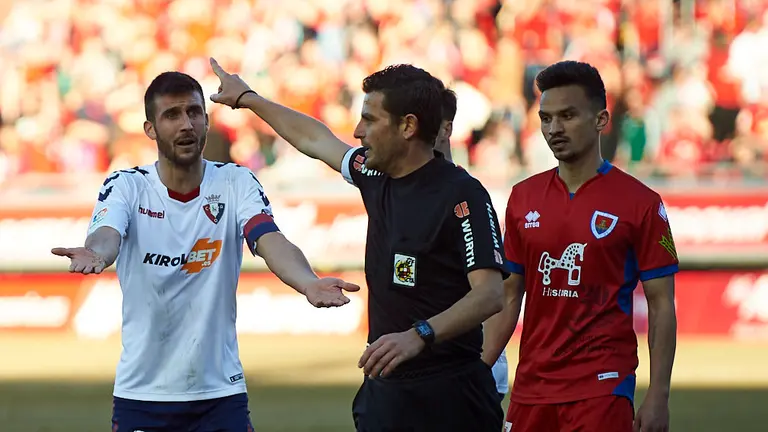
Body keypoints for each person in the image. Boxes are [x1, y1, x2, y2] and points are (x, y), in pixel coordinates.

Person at [50, 71, 360, 432]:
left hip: (220, 395)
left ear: (207, 120)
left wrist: (308, 283)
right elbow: (107, 234)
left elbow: (268, 238)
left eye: (194, 113)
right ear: (150, 129)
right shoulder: (127, 185)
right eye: (172, 115)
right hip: (143, 396)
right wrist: (98, 254)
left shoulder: (235, 181)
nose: (186, 125)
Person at [208, 58, 507, 431]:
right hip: (387, 392)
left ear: (408, 126)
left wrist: (420, 335)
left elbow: (490, 294)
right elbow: (315, 139)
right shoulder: (374, 174)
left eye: (370, 119)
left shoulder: (463, 194)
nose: (357, 130)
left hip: (450, 394)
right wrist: (249, 99)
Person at [483, 60, 678, 432]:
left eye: (568, 116)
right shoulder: (523, 198)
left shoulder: (641, 203)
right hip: (532, 389)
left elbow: (660, 302)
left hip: (602, 386)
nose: (554, 129)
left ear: (601, 120)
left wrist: (659, 395)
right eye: (546, 118)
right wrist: (477, 373)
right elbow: (510, 297)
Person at [436, 86, 509, 402]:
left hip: (466, 365)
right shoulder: (391, 188)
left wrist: (483, 365)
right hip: (422, 372)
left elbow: (495, 292)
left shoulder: (468, 195)